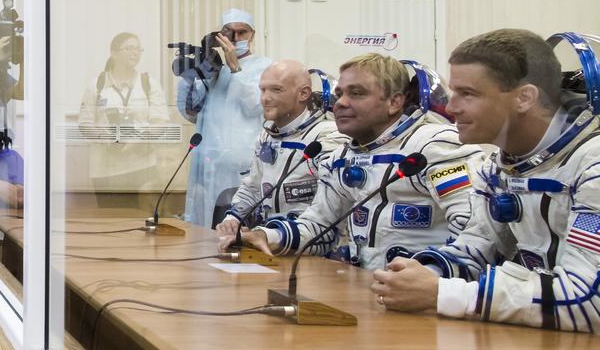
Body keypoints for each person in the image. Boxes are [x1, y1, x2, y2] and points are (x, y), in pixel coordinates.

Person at [372, 29, 600, 332]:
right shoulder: (497, 168)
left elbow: (589, 300)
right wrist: (421, 275)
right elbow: (474, 248)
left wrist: (445, 294)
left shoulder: (591, 164)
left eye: (468, 94)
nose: (451, 108)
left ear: (524, 98)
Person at [230, 53, 484, 270]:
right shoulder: (342, 157)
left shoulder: (434, 148)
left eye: (357, 93)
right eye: (340, 94)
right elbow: (319, 224)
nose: (340, 103)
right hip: (370, 288)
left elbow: (475, 233)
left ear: (395, 101)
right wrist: (267, 236)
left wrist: (432, 273)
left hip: (426, 299)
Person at [215, 60, 345, 240]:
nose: (265, 98)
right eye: (263, 90)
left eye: (276, 90)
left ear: (303, 93)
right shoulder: (267, 136)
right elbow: (253, 186)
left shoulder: (327, 137)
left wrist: (273, 236)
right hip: (274, 239)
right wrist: (233, 218)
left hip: (313, 246)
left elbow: (328, 211)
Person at [177, 8, 273, 227]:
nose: (236, 38)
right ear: (219, 35)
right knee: (203, 223)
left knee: (237, 225)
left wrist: (234, 67)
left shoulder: (265, 66)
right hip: (209, 160)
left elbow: (255, 107)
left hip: (243, 163)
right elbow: (191, 113)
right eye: (230, 32)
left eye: (242, 32)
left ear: (253, 35)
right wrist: (191, 76)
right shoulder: (211, 67)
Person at [78, 32, 171, 205]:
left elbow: (160, 122)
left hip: (142, 165)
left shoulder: (148, 83)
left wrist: (139, 140)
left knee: (144, 219)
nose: (135, 53)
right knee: (112, 221)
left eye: (138, 49)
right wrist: (104, 138)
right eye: (129, 48)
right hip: (106, 170)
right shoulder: (97, 85)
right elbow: (84, 123)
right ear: (113, 53)